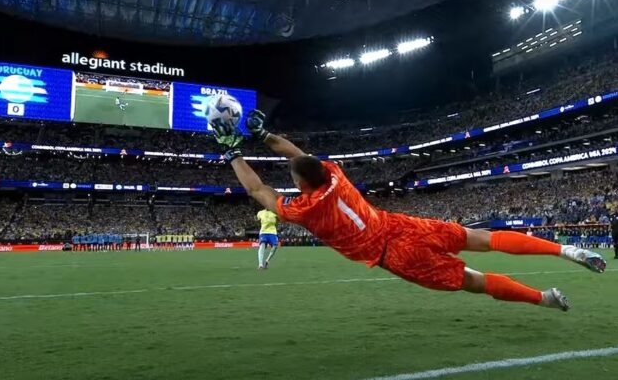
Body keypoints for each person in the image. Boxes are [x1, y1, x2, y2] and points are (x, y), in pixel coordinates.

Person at [211, 110, 608, 311]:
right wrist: (263, 135)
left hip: (395, 253)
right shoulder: (333, 174)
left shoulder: (304, 209)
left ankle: (545, 299)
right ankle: (567, 251)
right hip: (402, 225)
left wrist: (233, 151)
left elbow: (257, 189)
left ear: (300, 186)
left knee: (476, 281)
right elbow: (297, 154)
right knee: (483, 239)